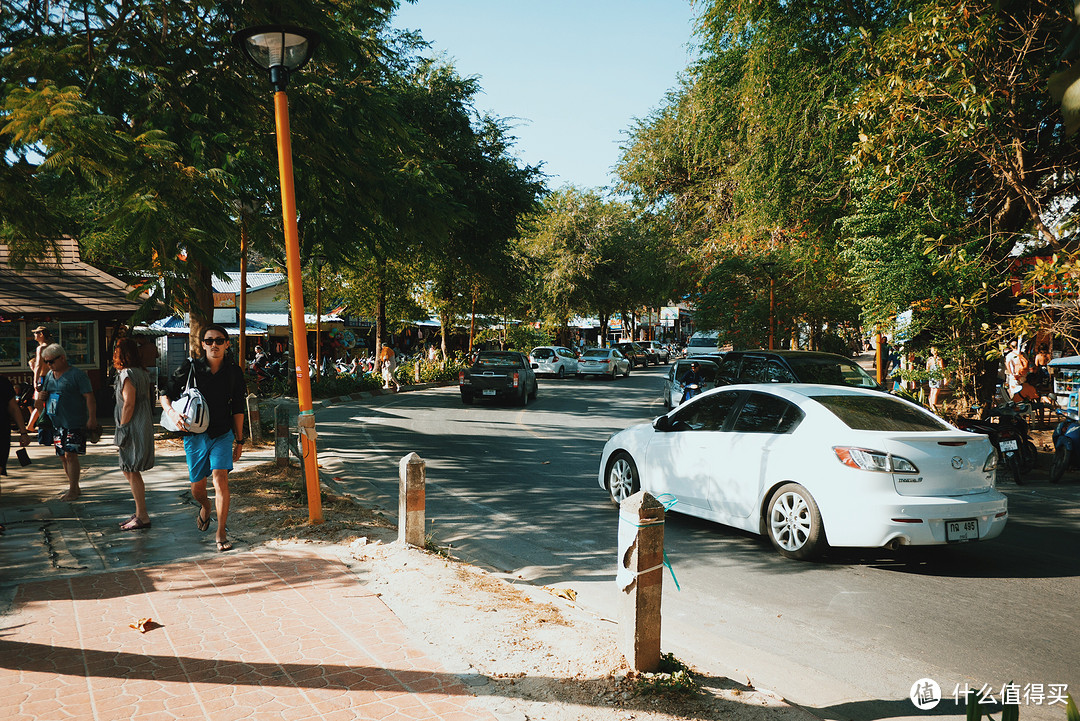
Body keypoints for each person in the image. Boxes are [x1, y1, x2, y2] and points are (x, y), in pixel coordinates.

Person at [161, 325, 245, 552]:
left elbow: (238, 407)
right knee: (197, 489)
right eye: (209, 341)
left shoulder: (234, 372)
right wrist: (171, 412)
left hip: (222, 434)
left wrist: (240, 440)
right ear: (202, 344)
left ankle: (221, 532)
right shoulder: (190, 368)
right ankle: (206, 507)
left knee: (220, 479)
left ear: (227, 343)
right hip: (195, 435)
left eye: (219, 341)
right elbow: (165, 393)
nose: (214, 345)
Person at [34, 344, 98, 502]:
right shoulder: (50, 375)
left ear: (62, 358)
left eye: (51, 361)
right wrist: (42, 396)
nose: (49, 365)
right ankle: (74, 487)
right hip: (57, 423)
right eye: (46, 362)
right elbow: (45, 396)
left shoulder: (77, 375)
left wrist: (92, 418)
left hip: (74, 422)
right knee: (63, 456)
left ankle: (73, 489)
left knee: (71, 455)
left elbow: (89, 397)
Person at [113, 338, 156, 531]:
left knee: (131, 468)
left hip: (132, 426)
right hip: (142, 423)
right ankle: (139, 512)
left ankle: (142, 515)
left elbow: (129, 403)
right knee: (129, 468)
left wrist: (122, 428)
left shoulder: (127, 374)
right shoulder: (141, 372)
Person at [25, 325, 52, 433]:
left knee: (38, 403)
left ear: (41, 334)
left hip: (43, 377)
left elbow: (38, 366)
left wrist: (35, 381)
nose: (34, 335)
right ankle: (33, 426)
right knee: (48, 404)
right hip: (53, 377)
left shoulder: (41, 348)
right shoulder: (53, 346)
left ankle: (47, 427)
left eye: (36, 333)